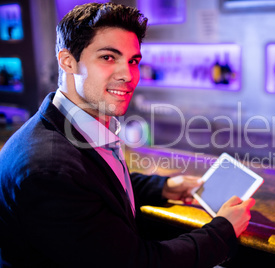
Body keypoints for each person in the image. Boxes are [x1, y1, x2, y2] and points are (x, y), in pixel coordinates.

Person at [0, 3, 255, 267]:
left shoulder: (73, 124)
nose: (129, 75)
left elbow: (99, 183)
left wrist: (166, 188)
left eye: (133, 61)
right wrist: (223, 231)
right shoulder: (49, 169)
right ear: (68, 62)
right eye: (108, 57)